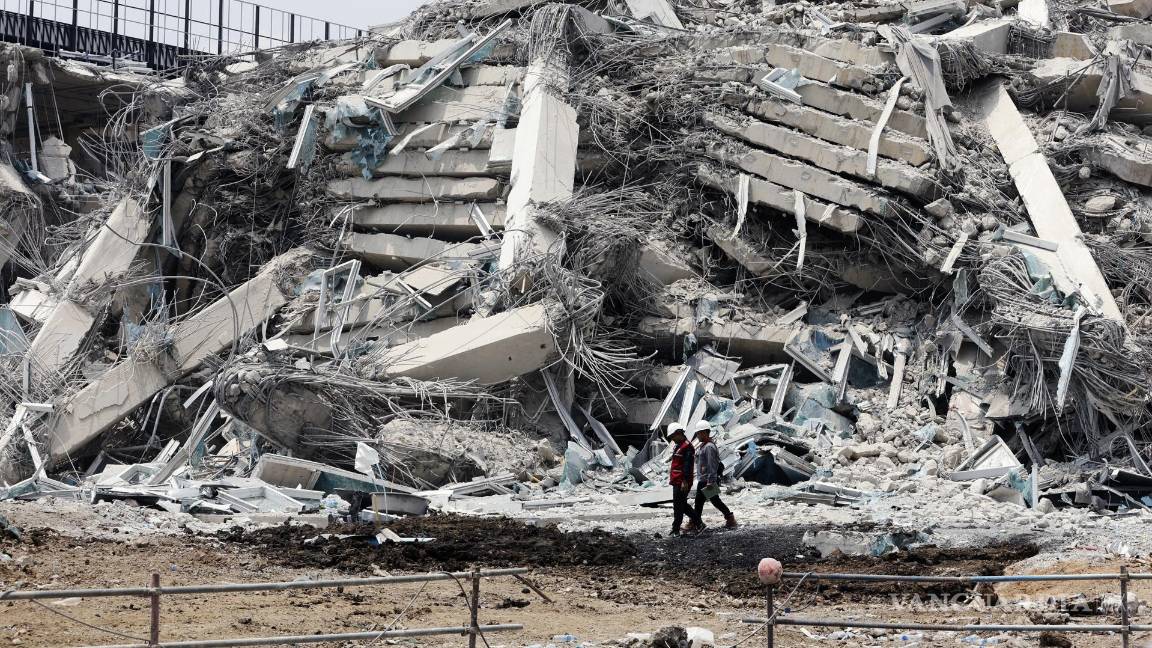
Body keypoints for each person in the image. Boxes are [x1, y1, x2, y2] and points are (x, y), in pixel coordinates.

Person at [689, 422, 737, 530]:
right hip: (705, 479)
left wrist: (710, 481)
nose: (697, 436)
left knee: (703, 501)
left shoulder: (709, 447)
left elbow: (712, 465)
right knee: (709, 501)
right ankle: (729, 518)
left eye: (698, 433)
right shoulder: (704, 445)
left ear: (704, 432)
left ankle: (695, 523)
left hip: (707, 480)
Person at [666, 422, 704, 537]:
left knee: (678, 506)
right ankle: (699, 524)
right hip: (678, 481)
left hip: (682, 482)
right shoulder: (679, 446)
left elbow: (687, 466)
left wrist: (684, 481)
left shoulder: (687, 447)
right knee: (682, 505)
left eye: (673, 436)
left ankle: (676, 529)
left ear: (679, 433)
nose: (672, 439)